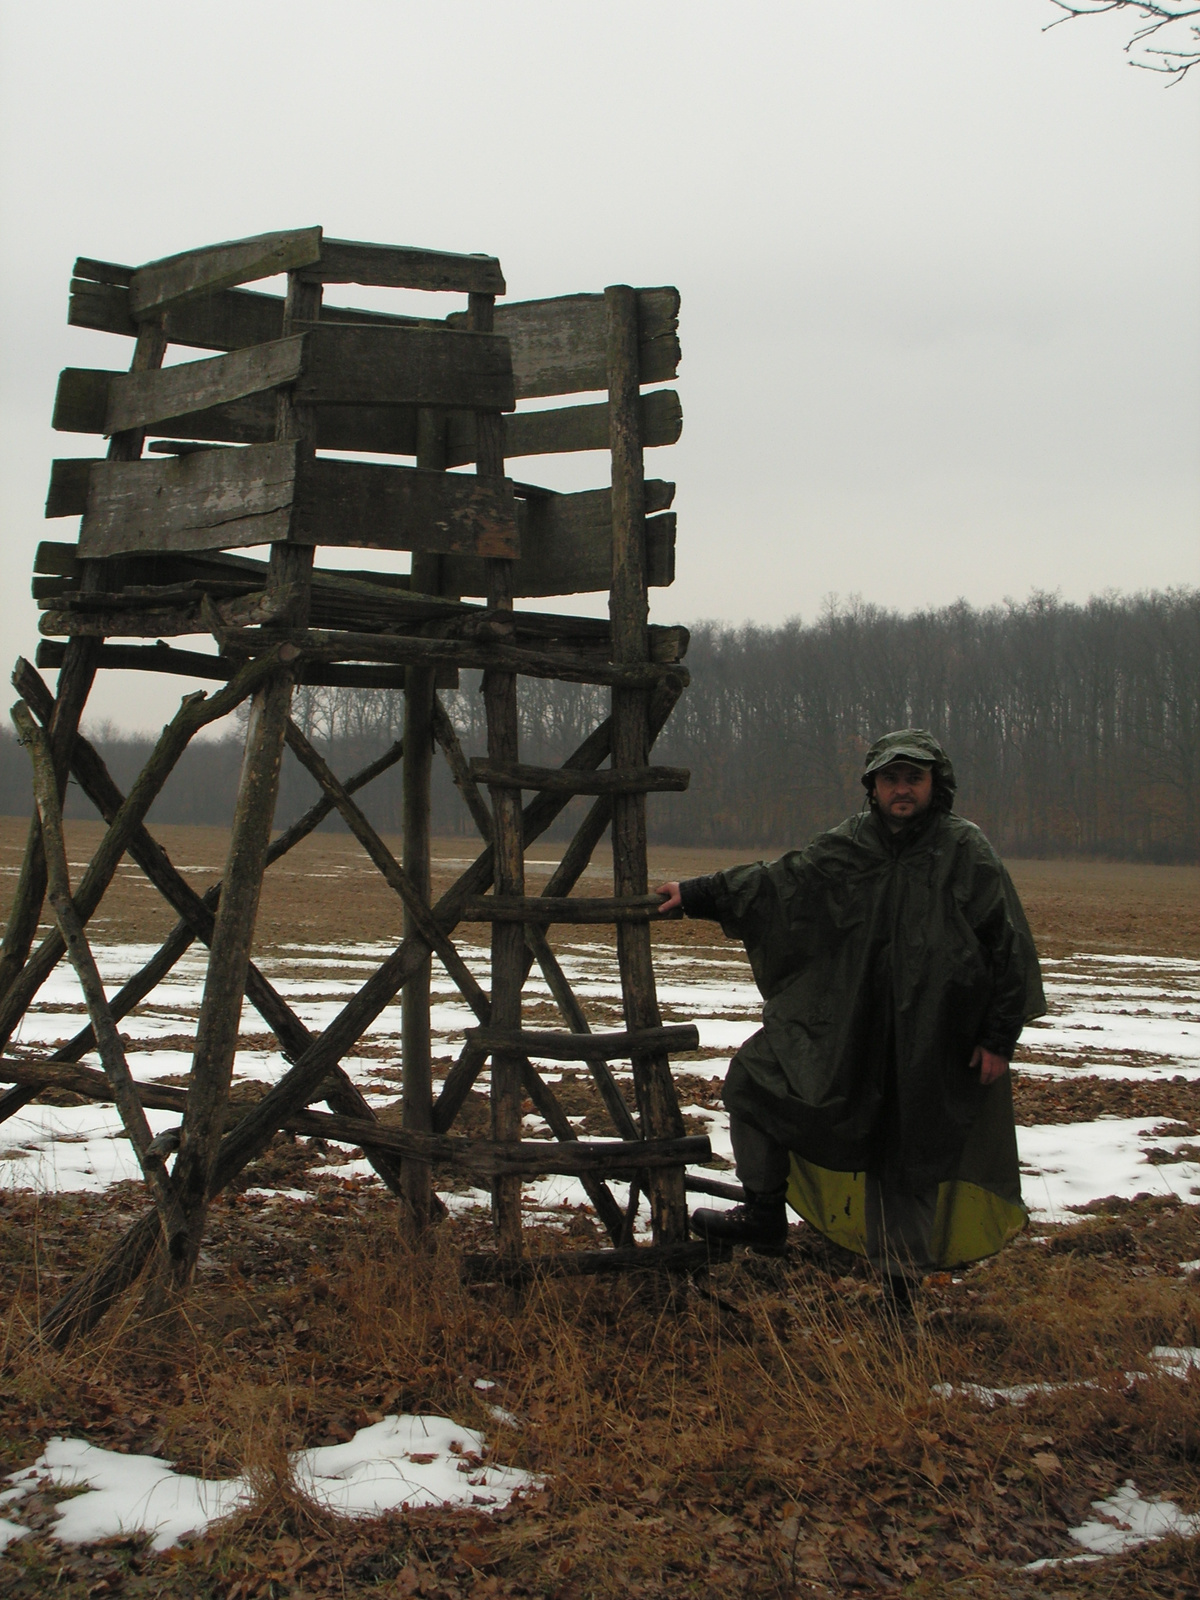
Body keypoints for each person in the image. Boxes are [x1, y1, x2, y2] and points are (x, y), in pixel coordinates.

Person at [656, 729, 1045, 1305]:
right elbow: (781, 883)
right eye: (891, 779)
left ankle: (900, 1296)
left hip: (933, 1038)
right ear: (874, 787)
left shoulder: (965, 851)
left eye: (913, 778)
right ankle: (763, 1210)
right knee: (756, 1082)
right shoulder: (851, 844)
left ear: (936, 784)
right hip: (848, 1030)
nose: (902, 789)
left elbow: (1007, 946)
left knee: (907, 1156)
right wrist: (696, 893)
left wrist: (997, 1036)